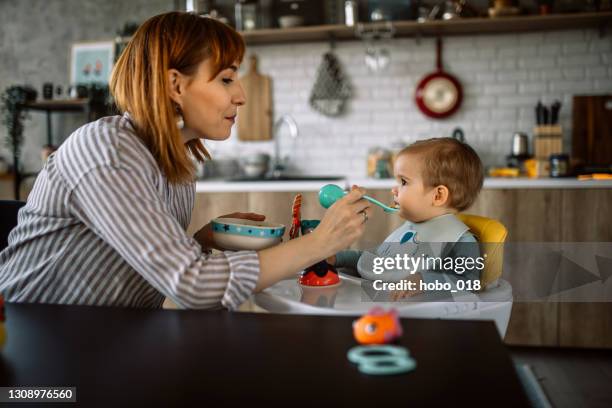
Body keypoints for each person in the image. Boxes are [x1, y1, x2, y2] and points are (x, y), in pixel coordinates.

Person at [0, 12, 370, 310]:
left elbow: (158, 267)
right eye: (226, 79)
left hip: (104, 337)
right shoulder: (107, 152)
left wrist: (205, 240)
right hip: (30, 337)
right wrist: (320, 242)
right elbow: (192, 285)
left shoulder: (177, 160)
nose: (241, 95)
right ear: (175, 86)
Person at [329, 137, 484, 299]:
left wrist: (423, 281)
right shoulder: (410, 229)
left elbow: (469, 282)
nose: (393, 190)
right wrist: (337, 258)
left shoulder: (459, 241)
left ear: (438, 195)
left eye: (403, 182)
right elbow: (375, 261)